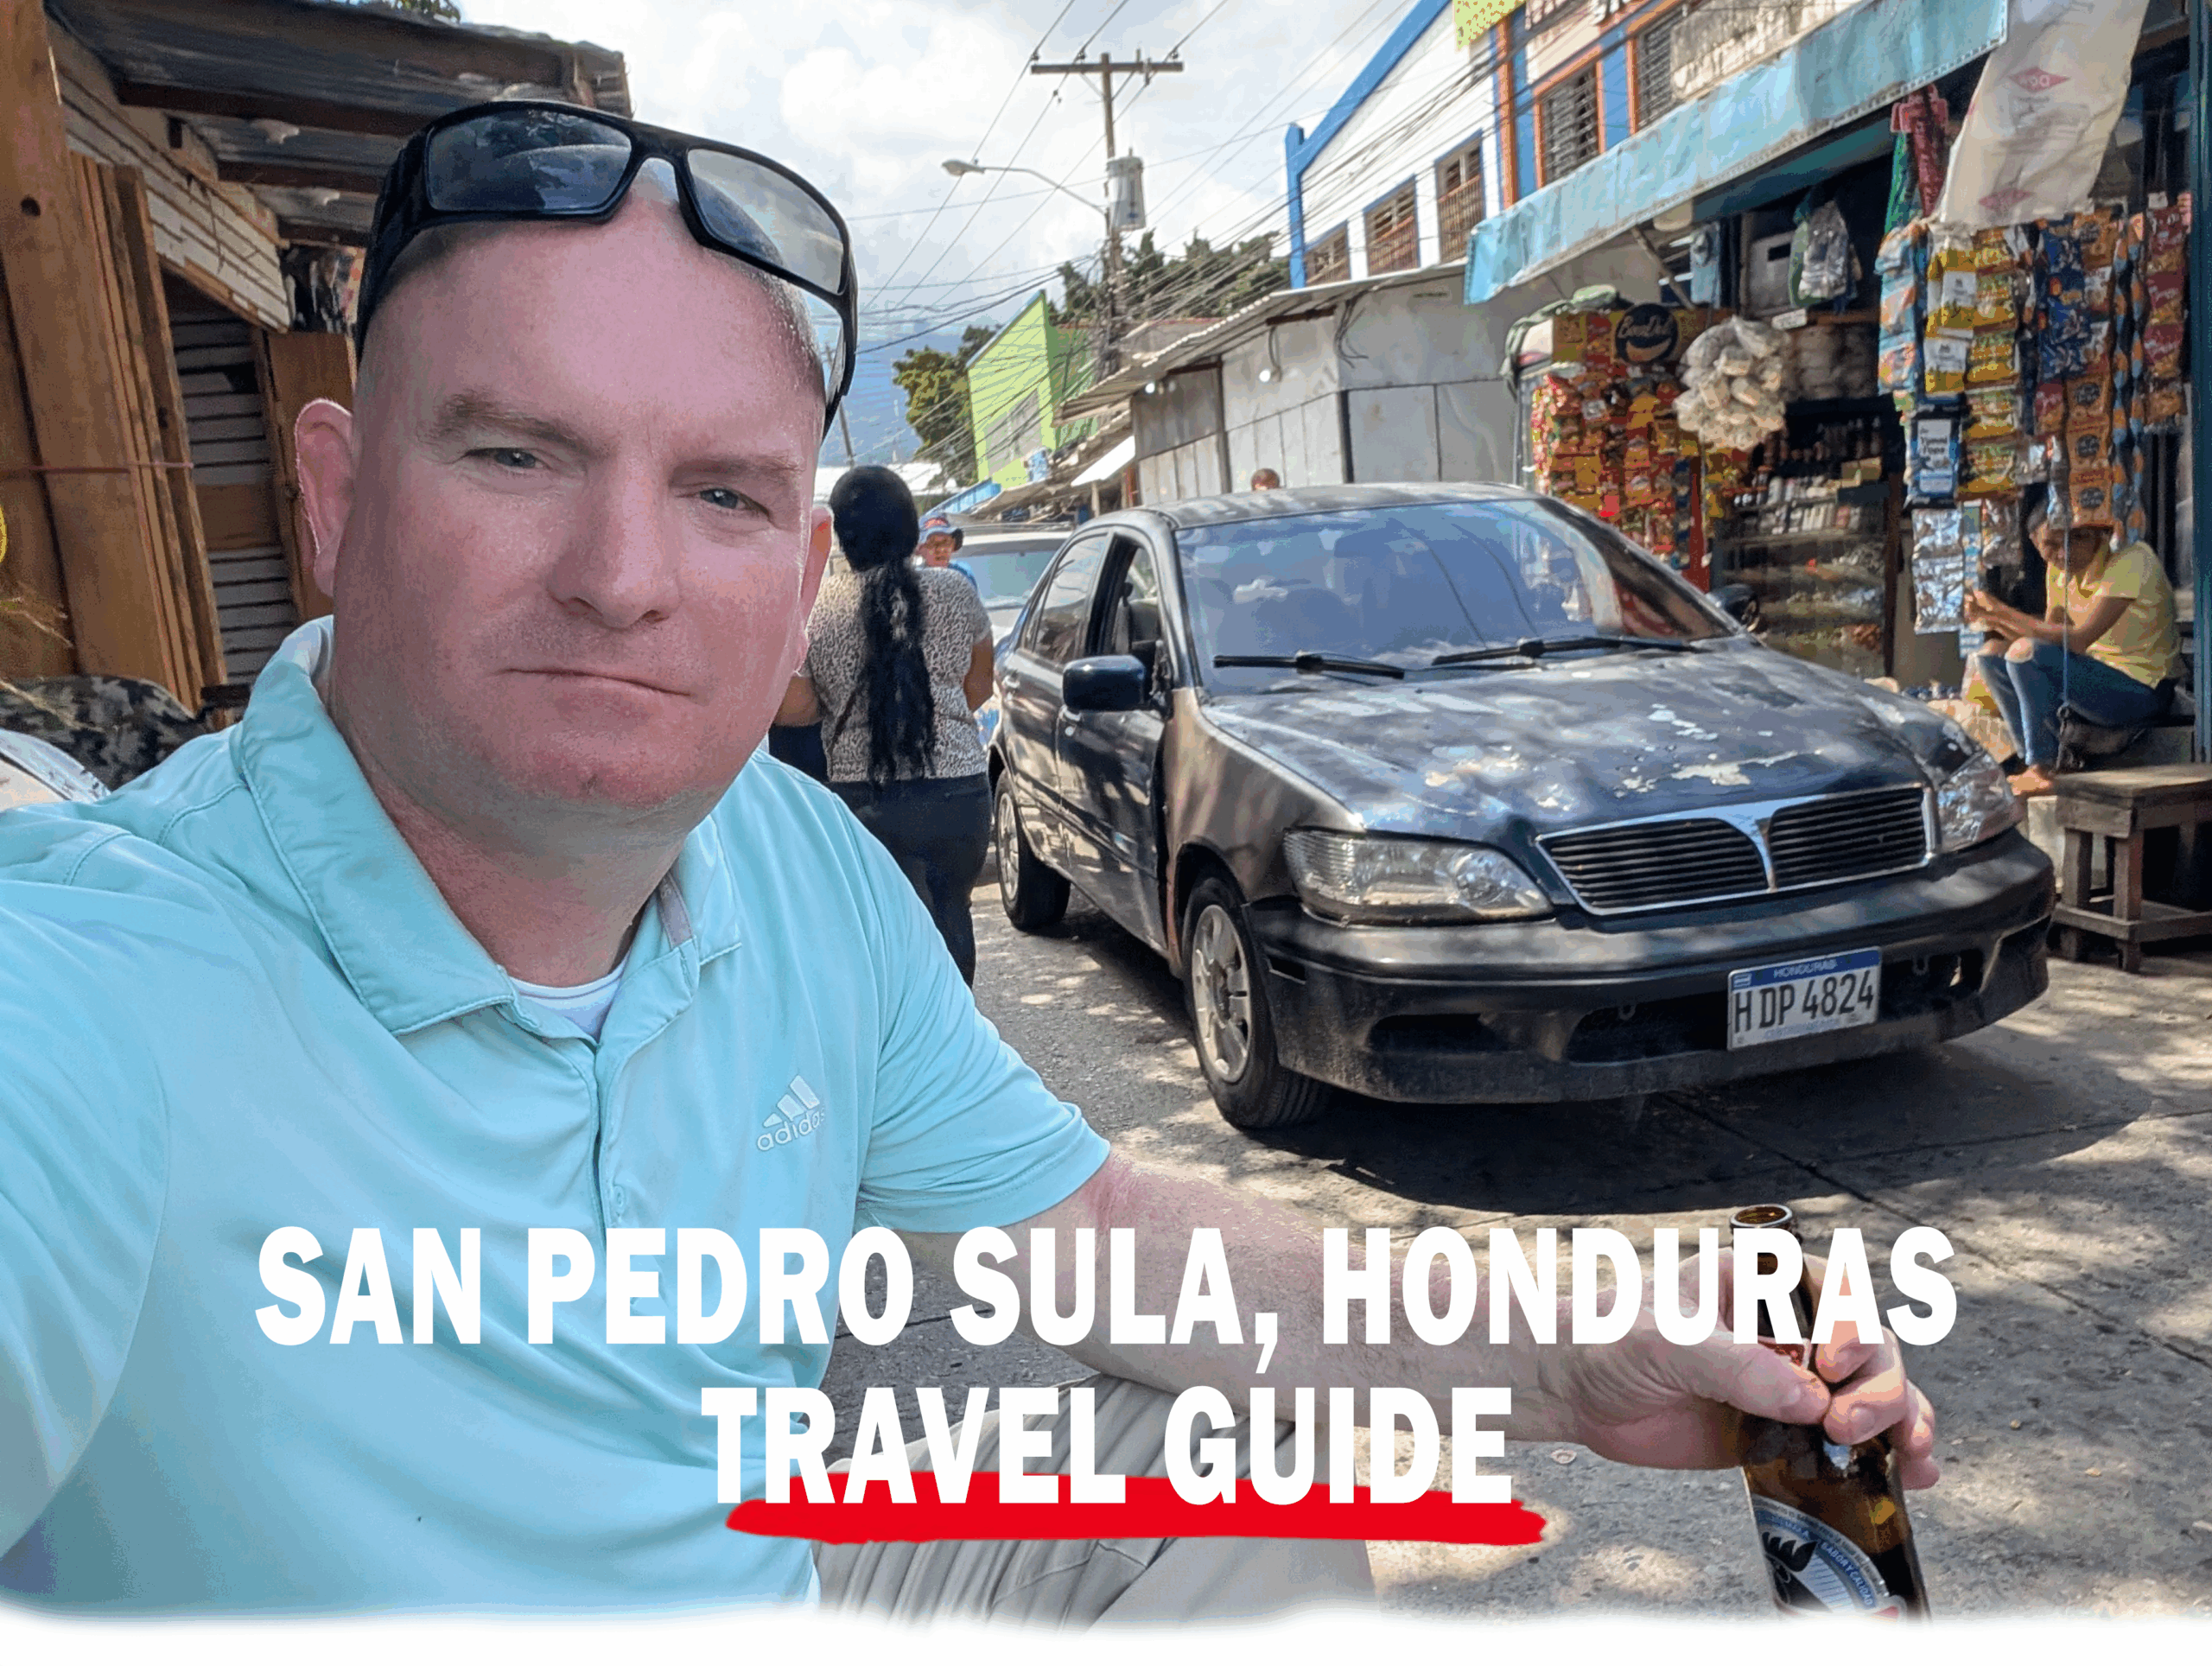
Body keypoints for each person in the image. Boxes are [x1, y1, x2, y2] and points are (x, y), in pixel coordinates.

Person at [0, 102, 1936, 1624]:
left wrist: (1574, 1351)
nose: (621, 574)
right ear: (336, 500)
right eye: (514, 455)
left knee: (1232, 1456)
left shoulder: (784, 863)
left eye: (719, 491)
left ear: (797, 578)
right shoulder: (94, 985)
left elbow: (1108, 1236)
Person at [777, 467, 995, 984]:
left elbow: (795, 709)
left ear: (844, 536)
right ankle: (955, 1025)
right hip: (958, 797)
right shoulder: (955, 591)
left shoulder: (821, 608)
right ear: (910, 529)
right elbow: (980, 688)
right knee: (952, 913)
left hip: (865, 803)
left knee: (878, 938)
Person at [1966, 503, 2181, 797]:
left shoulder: (2131, 558)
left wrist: (2001, 612)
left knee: (2025, 652)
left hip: (2142, 691)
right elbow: (2050, 635)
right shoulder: (2058, 571)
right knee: (1991, 653)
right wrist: (1990, 618)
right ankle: (2036, 761)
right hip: (2092, 680)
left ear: (2098, 534)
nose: (2063, 553)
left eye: (2076, 539)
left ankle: (2044, 767)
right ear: (2034, 542)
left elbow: (2077, 640)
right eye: (2051, 545)